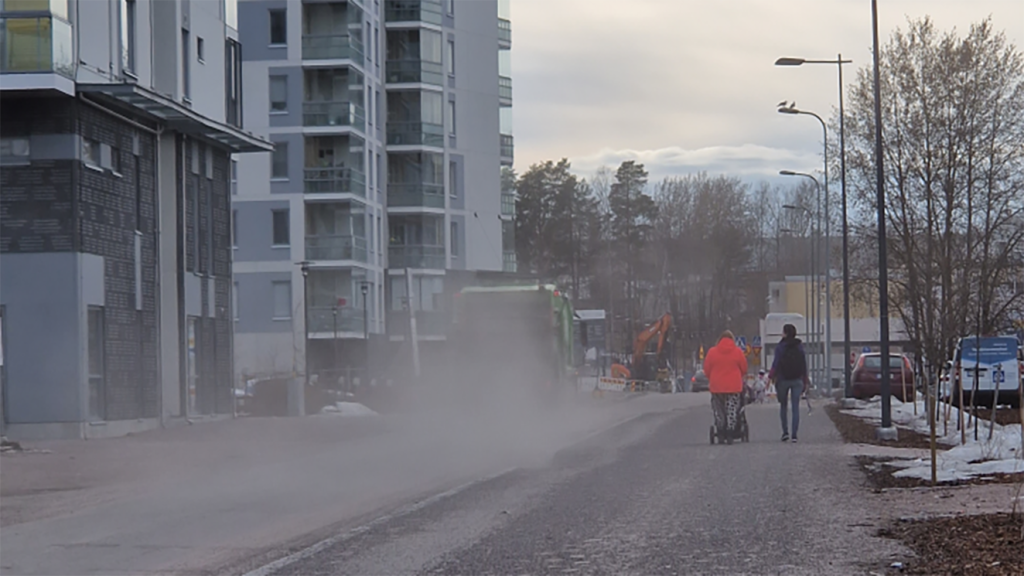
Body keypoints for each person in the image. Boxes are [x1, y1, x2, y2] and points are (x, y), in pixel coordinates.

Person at [704, 330, 748, 444]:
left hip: (716, 386)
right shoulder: (738, 352)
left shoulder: (712, 352)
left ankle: (720, 430)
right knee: (732, 409)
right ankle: (730, 431)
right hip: (734, 386)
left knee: (719, 410)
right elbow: (744, 368)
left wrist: (712, 378)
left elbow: (707, 370)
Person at [768, 324, 810, 443]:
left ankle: (785, 432)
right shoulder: (799, 347)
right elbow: (803, 364)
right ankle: (794, 435)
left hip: (783, 380)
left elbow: (776, 363)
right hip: (797, 380)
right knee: (795, 407)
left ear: (785, 333)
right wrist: (805, 379)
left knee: (783, 406)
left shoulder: (780, 347)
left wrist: (770, 376)